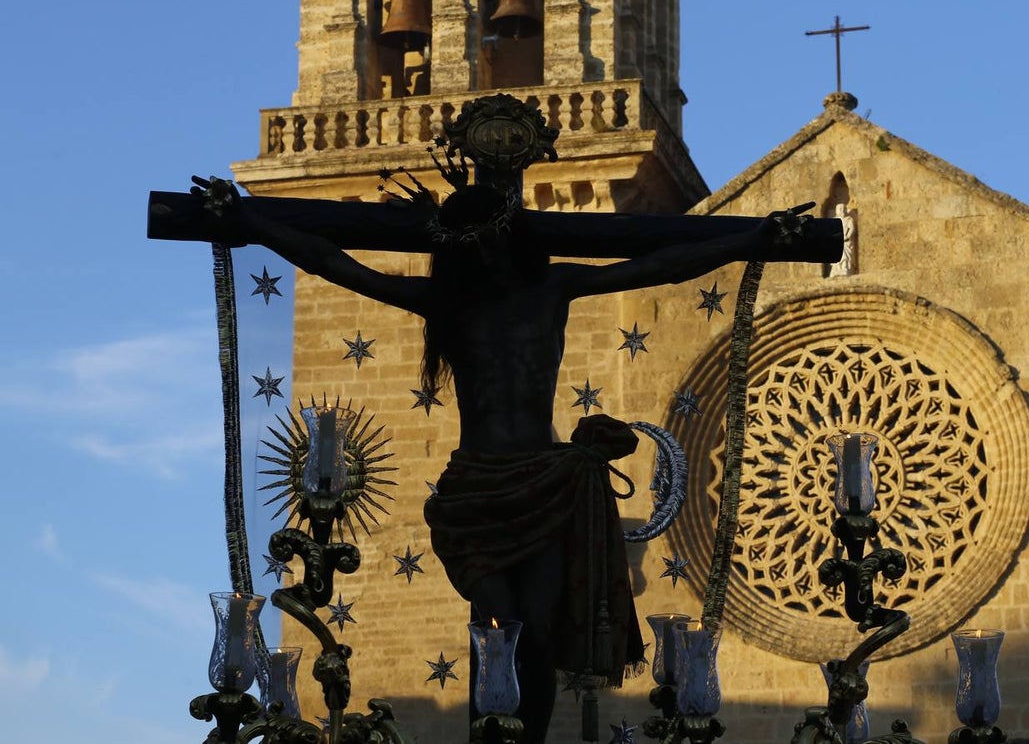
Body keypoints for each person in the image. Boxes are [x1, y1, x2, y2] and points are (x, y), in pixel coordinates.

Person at [192, 176, 816, 743]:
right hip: (476, 490)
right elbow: (336, 264)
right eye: (473, 245)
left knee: (538, 635)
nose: (487, 255)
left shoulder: (553, 286)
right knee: (499, 625)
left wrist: (754, 236)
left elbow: (663, 266)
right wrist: (251, 222)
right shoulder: (446, 302)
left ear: (512, 238)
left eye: (494, 240)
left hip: (545, 483)